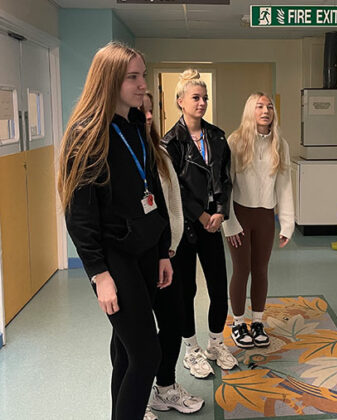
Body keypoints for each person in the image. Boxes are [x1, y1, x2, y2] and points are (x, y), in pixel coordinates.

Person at [58, 42, 173, 420]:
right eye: (133, 77)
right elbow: (78, 213)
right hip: (115, 258)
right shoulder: (88, 133)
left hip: (144, 250)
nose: (143, 85)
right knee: (146, 354)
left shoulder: (136, 124)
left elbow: (151, 187)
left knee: (125, 353)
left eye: (143, 75)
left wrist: (161, 250)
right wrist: (99, 274)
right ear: (110, 81)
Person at [162, 69, 238, 374]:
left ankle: (215, 343)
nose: (201, 103)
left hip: (212, 223)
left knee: (219, 287)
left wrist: (220, 211)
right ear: (181, 101)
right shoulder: (171, 142)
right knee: (187, 290)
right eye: (195, 98)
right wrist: (202, 214)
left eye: (204, 98)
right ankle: (191, 348)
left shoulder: (217, 136)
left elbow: (225, 178)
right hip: (186, 226)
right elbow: (175, 187)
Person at [140, 93, 203, 418]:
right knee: (134, 338)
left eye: (151, 110)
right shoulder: (122, 154)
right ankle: (136, 399)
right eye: (141, 110)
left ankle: (165, 388)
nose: (148, 116)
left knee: (172, 321)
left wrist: (173, 246)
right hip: (136, 261)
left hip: (169, 254)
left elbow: (173, 206)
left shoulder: (160, 152)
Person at [222, 92, 294, 349]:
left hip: (265, 217)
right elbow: (226, 184)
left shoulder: (280, 144)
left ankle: (258, 321)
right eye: (260, 106)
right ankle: (239, 323)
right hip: (240, 214)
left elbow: (284, 185)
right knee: (242, 270)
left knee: (261, 270)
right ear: (250, 111)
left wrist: (287, 223)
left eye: (270, 107)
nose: (266, 111)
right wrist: (229, 223)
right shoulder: (235, 141)